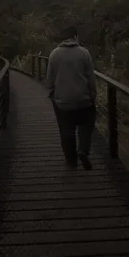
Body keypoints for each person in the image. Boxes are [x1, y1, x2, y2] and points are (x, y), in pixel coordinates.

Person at [45, 26, 97, 169]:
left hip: (62, 102)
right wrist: (93, 95)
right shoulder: (84, 53)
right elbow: (91, 78)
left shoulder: (54, 54)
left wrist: (52, 95)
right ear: (75, 37)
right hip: (83, 100)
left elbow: (49, 79)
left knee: (66, 131)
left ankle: (71, 160)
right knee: (86, 126)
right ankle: (83, 151)